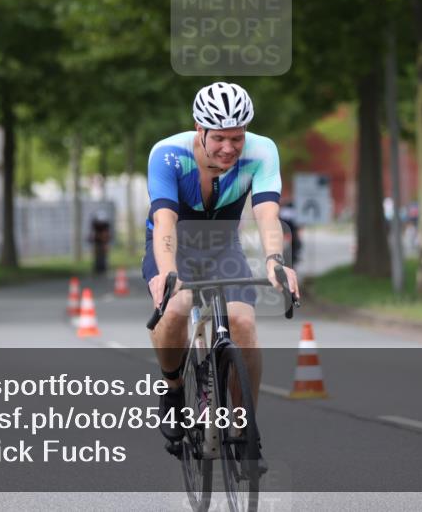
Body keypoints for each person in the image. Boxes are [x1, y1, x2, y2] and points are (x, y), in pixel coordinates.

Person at [143, 82, 300, 466]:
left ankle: (244, 428)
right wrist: (168, 272)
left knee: (243, 322)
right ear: (200, 129)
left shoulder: (262, 151)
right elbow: (164, 222)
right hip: (174, 245)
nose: (229, 148)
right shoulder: (168, 154)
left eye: (237, 137)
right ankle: (173, 389)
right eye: (219, 138)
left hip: (222, 247)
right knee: (176, 308)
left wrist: (275, 261)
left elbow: (267, 214)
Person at [88, 209, 112, 275]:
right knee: (97, 254)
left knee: (103, 254)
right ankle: (97, 267)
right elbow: (92, 235)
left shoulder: (106, 225)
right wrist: (94, 239)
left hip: (103, 242)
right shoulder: (94, 224)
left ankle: (103, 267)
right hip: (97, 242)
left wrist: (106, 243)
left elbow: (107, 235)